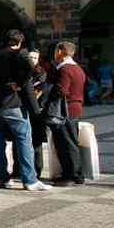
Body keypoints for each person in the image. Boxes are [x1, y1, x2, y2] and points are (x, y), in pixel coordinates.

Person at [0, 30, 47, 191]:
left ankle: (2, 179)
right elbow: (35, 71)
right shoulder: (19, 54)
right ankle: (29, 180)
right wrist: (19, 83)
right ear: (20, 42)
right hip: (12, 104)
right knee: (24, 140)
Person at [46, 42, 86, 186]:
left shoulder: (65, 69)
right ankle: (75, 174)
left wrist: (49, 92)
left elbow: (62, 90)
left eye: (56, 51)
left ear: (61, 51)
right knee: (70, 142)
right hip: (74, 108)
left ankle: (71, 175)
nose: (54, 54)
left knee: (66, 143)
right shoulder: (78, 68)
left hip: (65, 110)